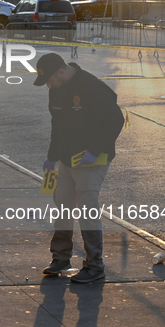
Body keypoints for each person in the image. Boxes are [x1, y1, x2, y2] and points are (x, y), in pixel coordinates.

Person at [34, 53, 124, 283]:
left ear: (61, 72)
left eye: (50, 80)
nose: (49, 85)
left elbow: (115, 119)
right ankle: (61, 258)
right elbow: (58, 124)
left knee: (87, 210)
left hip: (91, 159)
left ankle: (95, 265)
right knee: (62, 206)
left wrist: (94, 151)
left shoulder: (92, 87)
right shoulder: (57, 88)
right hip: (66, 159)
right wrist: (52, 157)